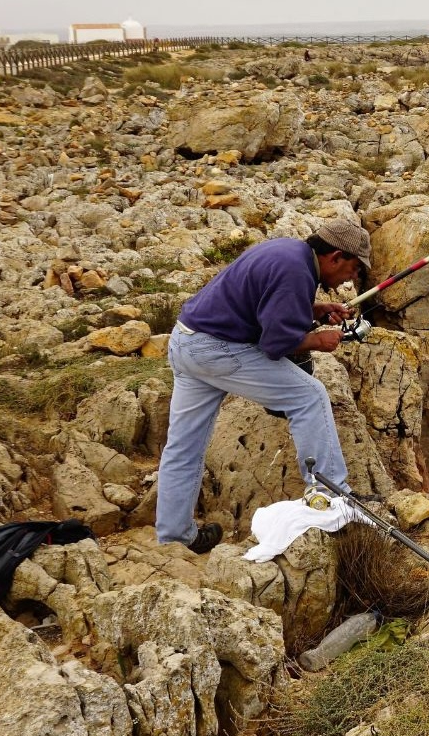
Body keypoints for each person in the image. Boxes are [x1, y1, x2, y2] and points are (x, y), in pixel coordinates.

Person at [154, 221, 373, 552]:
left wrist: (315, 309)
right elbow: (275, 344)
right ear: (336, 256)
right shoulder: (296, 272)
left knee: (183, 447)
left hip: (186, 341)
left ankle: (174, 537)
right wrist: (319, 340)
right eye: (353, 269)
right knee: (309, 396)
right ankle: (330, 493)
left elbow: (265, 304)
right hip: (215, 350)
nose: (351, 279)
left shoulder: (288, 252)